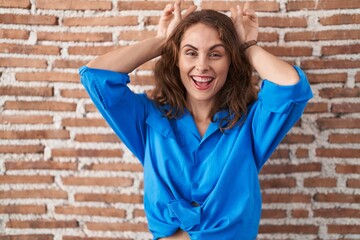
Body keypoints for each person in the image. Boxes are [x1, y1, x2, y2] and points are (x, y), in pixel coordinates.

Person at [79, 0, 313, 239]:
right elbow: (96, 76)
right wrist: (164, 42)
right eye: (190, 52)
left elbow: (290, 87)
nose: (202, 66)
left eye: (216, 54)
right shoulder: (148, 119)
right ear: (177, 58)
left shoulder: (251, 124)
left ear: (230, 61)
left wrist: (245, 46)